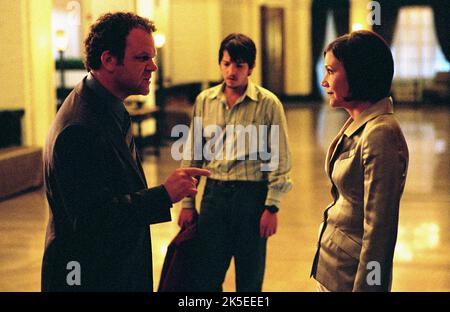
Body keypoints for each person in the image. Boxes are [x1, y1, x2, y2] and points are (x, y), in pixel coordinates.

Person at [41, 12, 210, 292]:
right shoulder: (79, 128)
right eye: (142, 58)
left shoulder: (109, 105)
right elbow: (91, 221)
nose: (153, 67)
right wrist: (164, 195)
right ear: (108, 60)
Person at [178, 33, 292, 291]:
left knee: (249, 279)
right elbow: (192, 154)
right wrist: (187, 203)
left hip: (250, 198)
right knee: (206, 276)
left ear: (250, 68)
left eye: (239, 65)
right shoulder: (204, 101)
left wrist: (272, 207)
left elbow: (279, 157)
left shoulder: (268, 104)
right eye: (226, 63)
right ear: (220, 63)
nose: (231, 71)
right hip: (214, 196)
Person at [311, 30, 409, 292]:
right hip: (335, 267)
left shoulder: (381, 133)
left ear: (357, 73)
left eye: (331, 71)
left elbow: (380, 232)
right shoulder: (359, 124)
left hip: (350, 277)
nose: (324, 82)